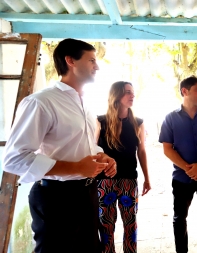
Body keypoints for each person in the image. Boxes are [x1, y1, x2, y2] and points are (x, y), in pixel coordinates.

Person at [2, 38, 117, 253]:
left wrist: (103, 157)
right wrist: (76, 168)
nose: (97, 66)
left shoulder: (84, 103)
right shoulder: (41, 102)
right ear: (70, 61)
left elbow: (83, 146)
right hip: (56, 199)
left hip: (88, 194)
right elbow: (14, 159)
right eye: (91, 60)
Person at [159, 76, 197, 253]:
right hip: (181, 178)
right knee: (179, 218)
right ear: (184, 91)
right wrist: (188, 168)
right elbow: (167, 148)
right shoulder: (170, 118)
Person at [95, 81, 151, 253]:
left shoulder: (138, 123)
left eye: (133, 92)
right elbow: (92, 150)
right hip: (105, 182)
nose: (132, 95)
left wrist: (147, 179)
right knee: (106, 226)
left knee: (130, 224)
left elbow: (141, 151)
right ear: (116, 95)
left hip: (129, 180)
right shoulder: (99, 122)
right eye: (128, 92)